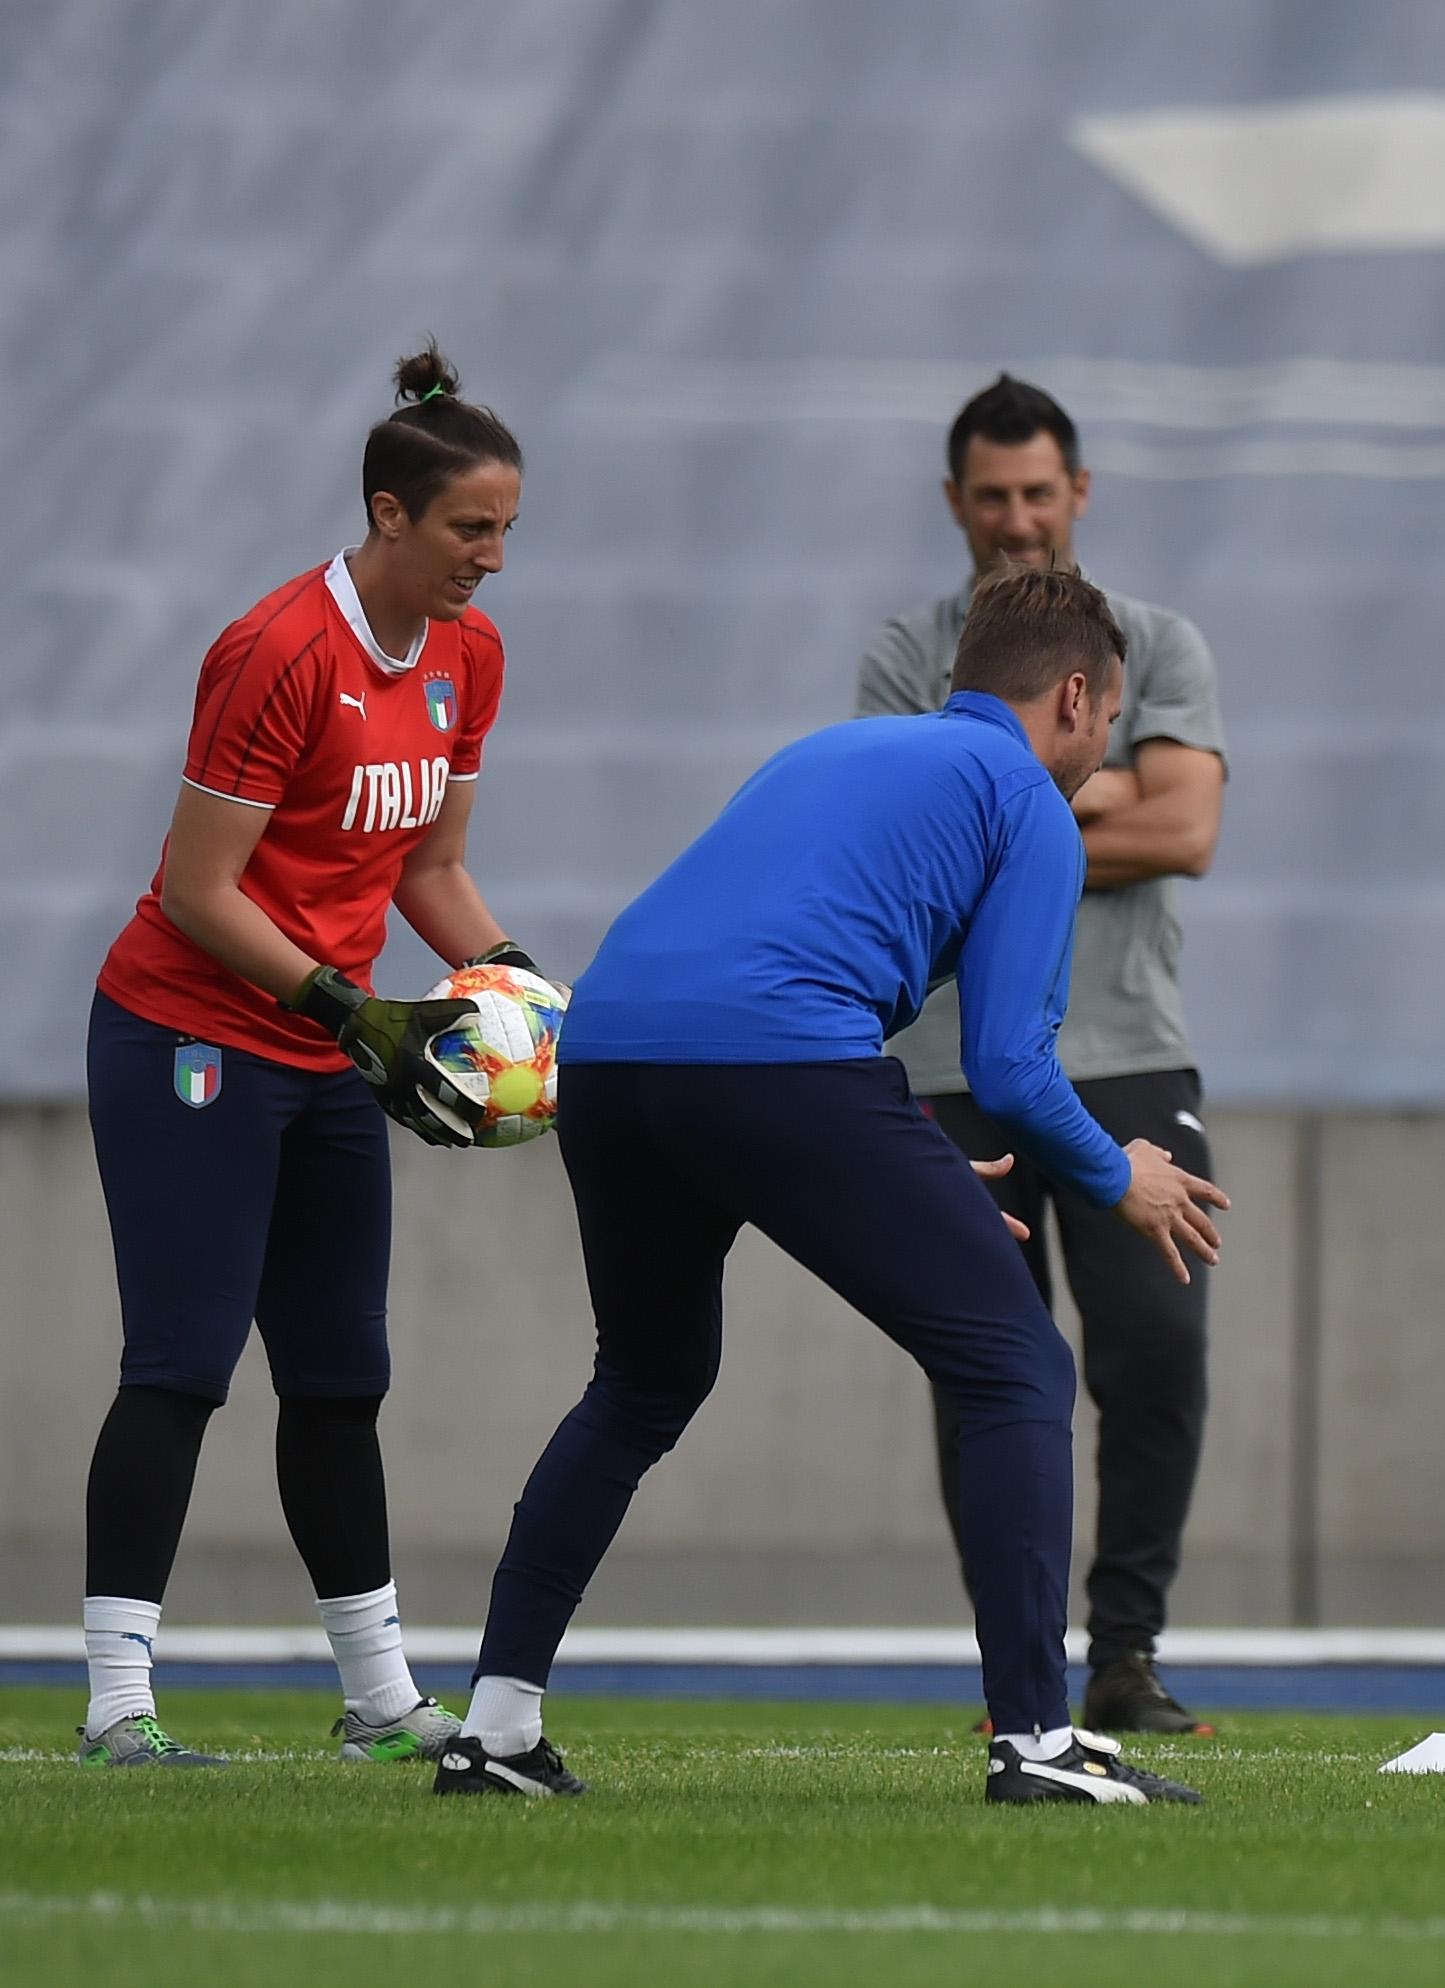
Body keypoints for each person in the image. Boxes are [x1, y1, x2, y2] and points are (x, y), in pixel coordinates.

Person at [439, 563, 1229, 1805]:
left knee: (642, 1380)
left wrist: (887, 1148)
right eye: (1109, 715)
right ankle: (1036, 1742)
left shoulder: (835, 748)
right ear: (1076, 695)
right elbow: (1012, 1069)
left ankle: (493, 1730)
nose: (1101, 745)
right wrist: (1113, 1170)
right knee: (1018, 1367)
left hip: (604, 1054)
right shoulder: (1023, 797)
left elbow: (764, 950)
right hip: (778, 1069)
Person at [79, 345, 539, 1768]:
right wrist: (355, 1013)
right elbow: (203, 890)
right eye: (472, 529)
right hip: (191, 1035)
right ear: (389, 515)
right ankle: (117, 1708)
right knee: (182, 1363)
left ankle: (380, 1701)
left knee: (342, 1375)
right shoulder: (277, 649)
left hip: (333, 1039)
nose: (493, 560)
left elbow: (432, 864)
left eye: (508, 532)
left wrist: (514, 981)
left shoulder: (468, 655)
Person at [857, 375, 1228, 1736]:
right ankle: (1018, 1662)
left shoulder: (1158, 640)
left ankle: (1121, 1653)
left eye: (1037, 493)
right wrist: (1098, 795)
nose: (1016, 521)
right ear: (956, 504)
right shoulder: (908, 649)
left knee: (1155, 1349)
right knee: (990, 1364)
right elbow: (921, 844)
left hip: (1128, 1051)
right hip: (957, 1066)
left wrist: (1017, 815)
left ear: (1079, 494)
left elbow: (1187, 833)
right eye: (990, 497)